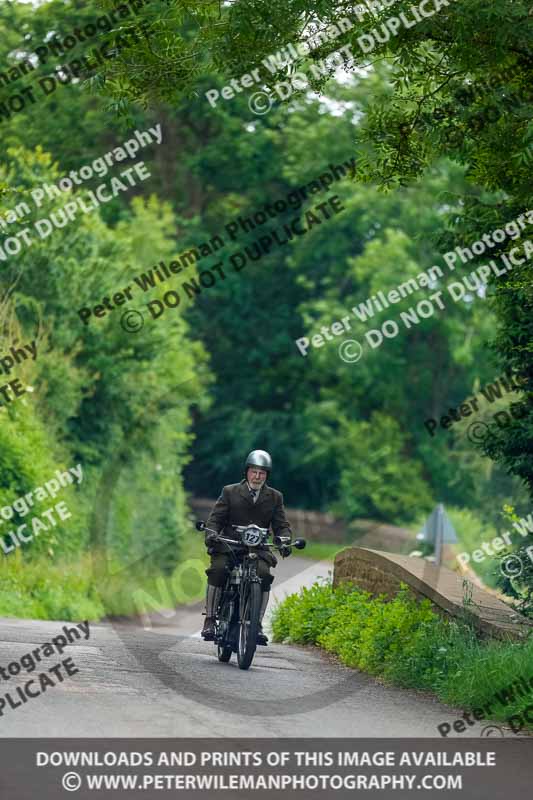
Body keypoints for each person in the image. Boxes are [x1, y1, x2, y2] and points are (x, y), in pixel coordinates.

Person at [201, 449, 292, 645]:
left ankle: (256, 625)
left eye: (262, 473)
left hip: (257, 550)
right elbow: (216, 519)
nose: (257, 476)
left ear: (267, 475)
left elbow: (281, 525)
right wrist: (212, 533)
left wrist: (284, 540)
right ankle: (209, 619)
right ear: (247, 472)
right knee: (218, 570)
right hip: (229, 546)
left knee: (264, 575)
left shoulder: (275, 497)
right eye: (254, 472)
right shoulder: (229, 491)